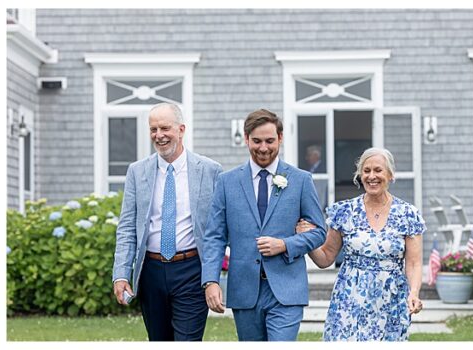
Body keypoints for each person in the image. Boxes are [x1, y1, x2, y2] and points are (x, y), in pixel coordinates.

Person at [200, 109, 328, 341]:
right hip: (245, 290)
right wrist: (211, 281)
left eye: (270, 141)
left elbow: (319, 232)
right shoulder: (227, 182)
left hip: (286, 290)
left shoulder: (300, 180)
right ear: (246, 139)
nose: (263, 147)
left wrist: (285, 244)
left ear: (280, 138)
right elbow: (214, 236)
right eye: (257, 141)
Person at [112, 103, 222, 341]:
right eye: (153, 129)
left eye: (165, 128)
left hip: (192, 269)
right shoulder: (136, 171)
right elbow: (127, 227)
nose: (159, 135)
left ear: (181, 129)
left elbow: (220, 226)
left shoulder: (210, 170)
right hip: (150, 271)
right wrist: (121, 273)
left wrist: (214, 274)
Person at [298, 147, 425, 341]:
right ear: (360, 175)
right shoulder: (345, 211)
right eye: (366, 171)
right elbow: (325, 257)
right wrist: (306, 240)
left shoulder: (408, 214)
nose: (371, 176)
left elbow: (414, 263)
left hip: (391, 300)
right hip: (349, 301)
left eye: (378, 170)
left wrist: (414, 293)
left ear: (390, 175)